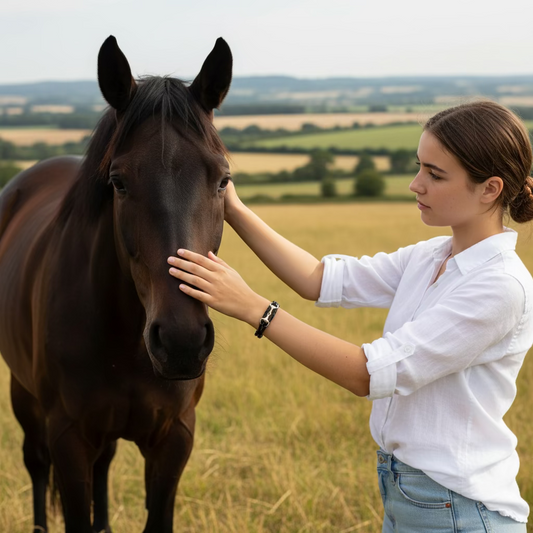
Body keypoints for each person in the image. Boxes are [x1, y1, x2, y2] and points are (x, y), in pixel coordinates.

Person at [167, 100, 533, 532]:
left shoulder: (500, 286)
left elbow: (367, 373)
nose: (416, 184)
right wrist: (235, 209)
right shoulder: (432, 256)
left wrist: (254, 308)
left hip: (460, 510)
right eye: (420, 167)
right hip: (411, 494)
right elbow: (320, 279)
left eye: (435, 175)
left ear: (490, 189)